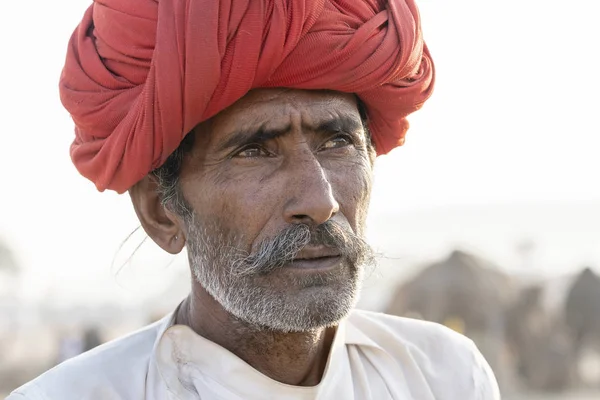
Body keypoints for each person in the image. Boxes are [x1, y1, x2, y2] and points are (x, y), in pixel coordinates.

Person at [8, 0, 500, 399]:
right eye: (255, 151)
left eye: (337, 142)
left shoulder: (444, 378)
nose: (320, 200)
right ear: (162, 212)